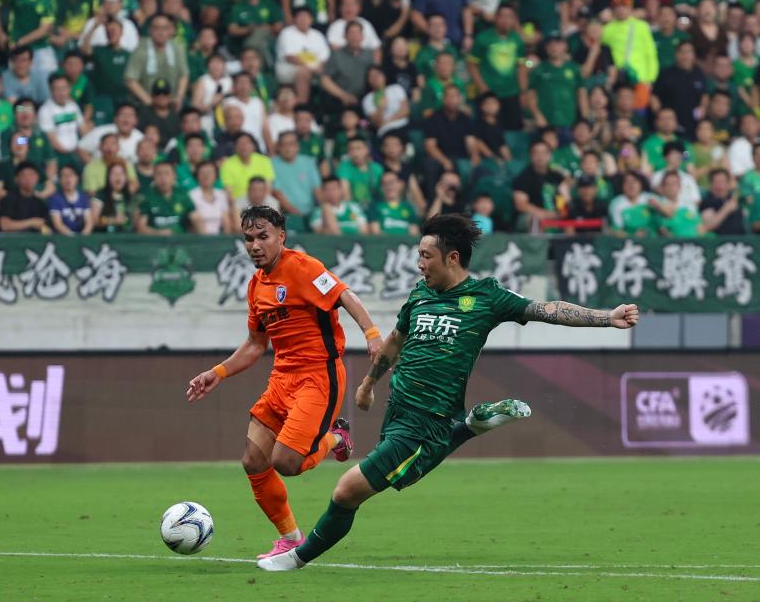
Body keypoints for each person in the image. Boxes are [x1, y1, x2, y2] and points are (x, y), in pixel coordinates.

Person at [257, 214, 640, 572]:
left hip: (428, 421)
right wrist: (369, 383)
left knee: (347, 491)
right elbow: (395, 341)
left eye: (426, 256)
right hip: (398, 412)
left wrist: (606, 318)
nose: (419, 264)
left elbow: (547, 309)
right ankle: (472, 425)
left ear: (452, 258)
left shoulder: (487, 297)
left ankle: (297, 558)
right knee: (405, 475)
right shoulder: (420, 295)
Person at [187, 205, 383, 560]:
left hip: (318, 376)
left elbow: (344, 295)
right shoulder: (255, 287)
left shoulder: (303, 267)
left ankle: (336, 437)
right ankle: (291, 537)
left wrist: (371, 334)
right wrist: (217, 373)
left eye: (263, 236)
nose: (255, 245)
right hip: (282, 379)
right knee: (253, 461)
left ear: (281, 236)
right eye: (249, 238)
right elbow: (255, 344)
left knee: (287, 463)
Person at [136, 161, 203, 234]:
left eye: (167, 173)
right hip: (155, 240)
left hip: (180, 239)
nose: (163, 178)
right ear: (153, 177)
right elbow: (141, 227)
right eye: (159, 174)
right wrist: (158, 233)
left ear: (174, 176)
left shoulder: (182, 194)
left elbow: (195, 217)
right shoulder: (147, 196)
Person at [0, 162, 50, 233]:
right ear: (16, 179)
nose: (28, 179)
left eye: (31, 175)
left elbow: (46, 228)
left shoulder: (40, 203)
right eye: (24, 175)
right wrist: (31, 222)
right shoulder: (8, 199)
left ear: (37, 177)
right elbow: (5, 226)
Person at [188, 160, 231, 235]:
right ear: (197, 175)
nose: (206, 176)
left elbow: (226, 220)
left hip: (220, 236)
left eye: (210, 172)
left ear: (216, 175)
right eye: (202, 173)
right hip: (199, 236)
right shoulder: (191, 195)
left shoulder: (221, 194)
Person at [47, 164, 92, 235]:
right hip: (63, 237)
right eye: (64, 176)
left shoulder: (84, 198)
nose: (68, 179)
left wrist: (84, 235)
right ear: (60, 180)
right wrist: (72, 236)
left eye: (71, 175)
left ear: (77, 178)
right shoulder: (55, 199)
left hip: (82, 237)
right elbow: (58, 224)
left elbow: (89, 222)